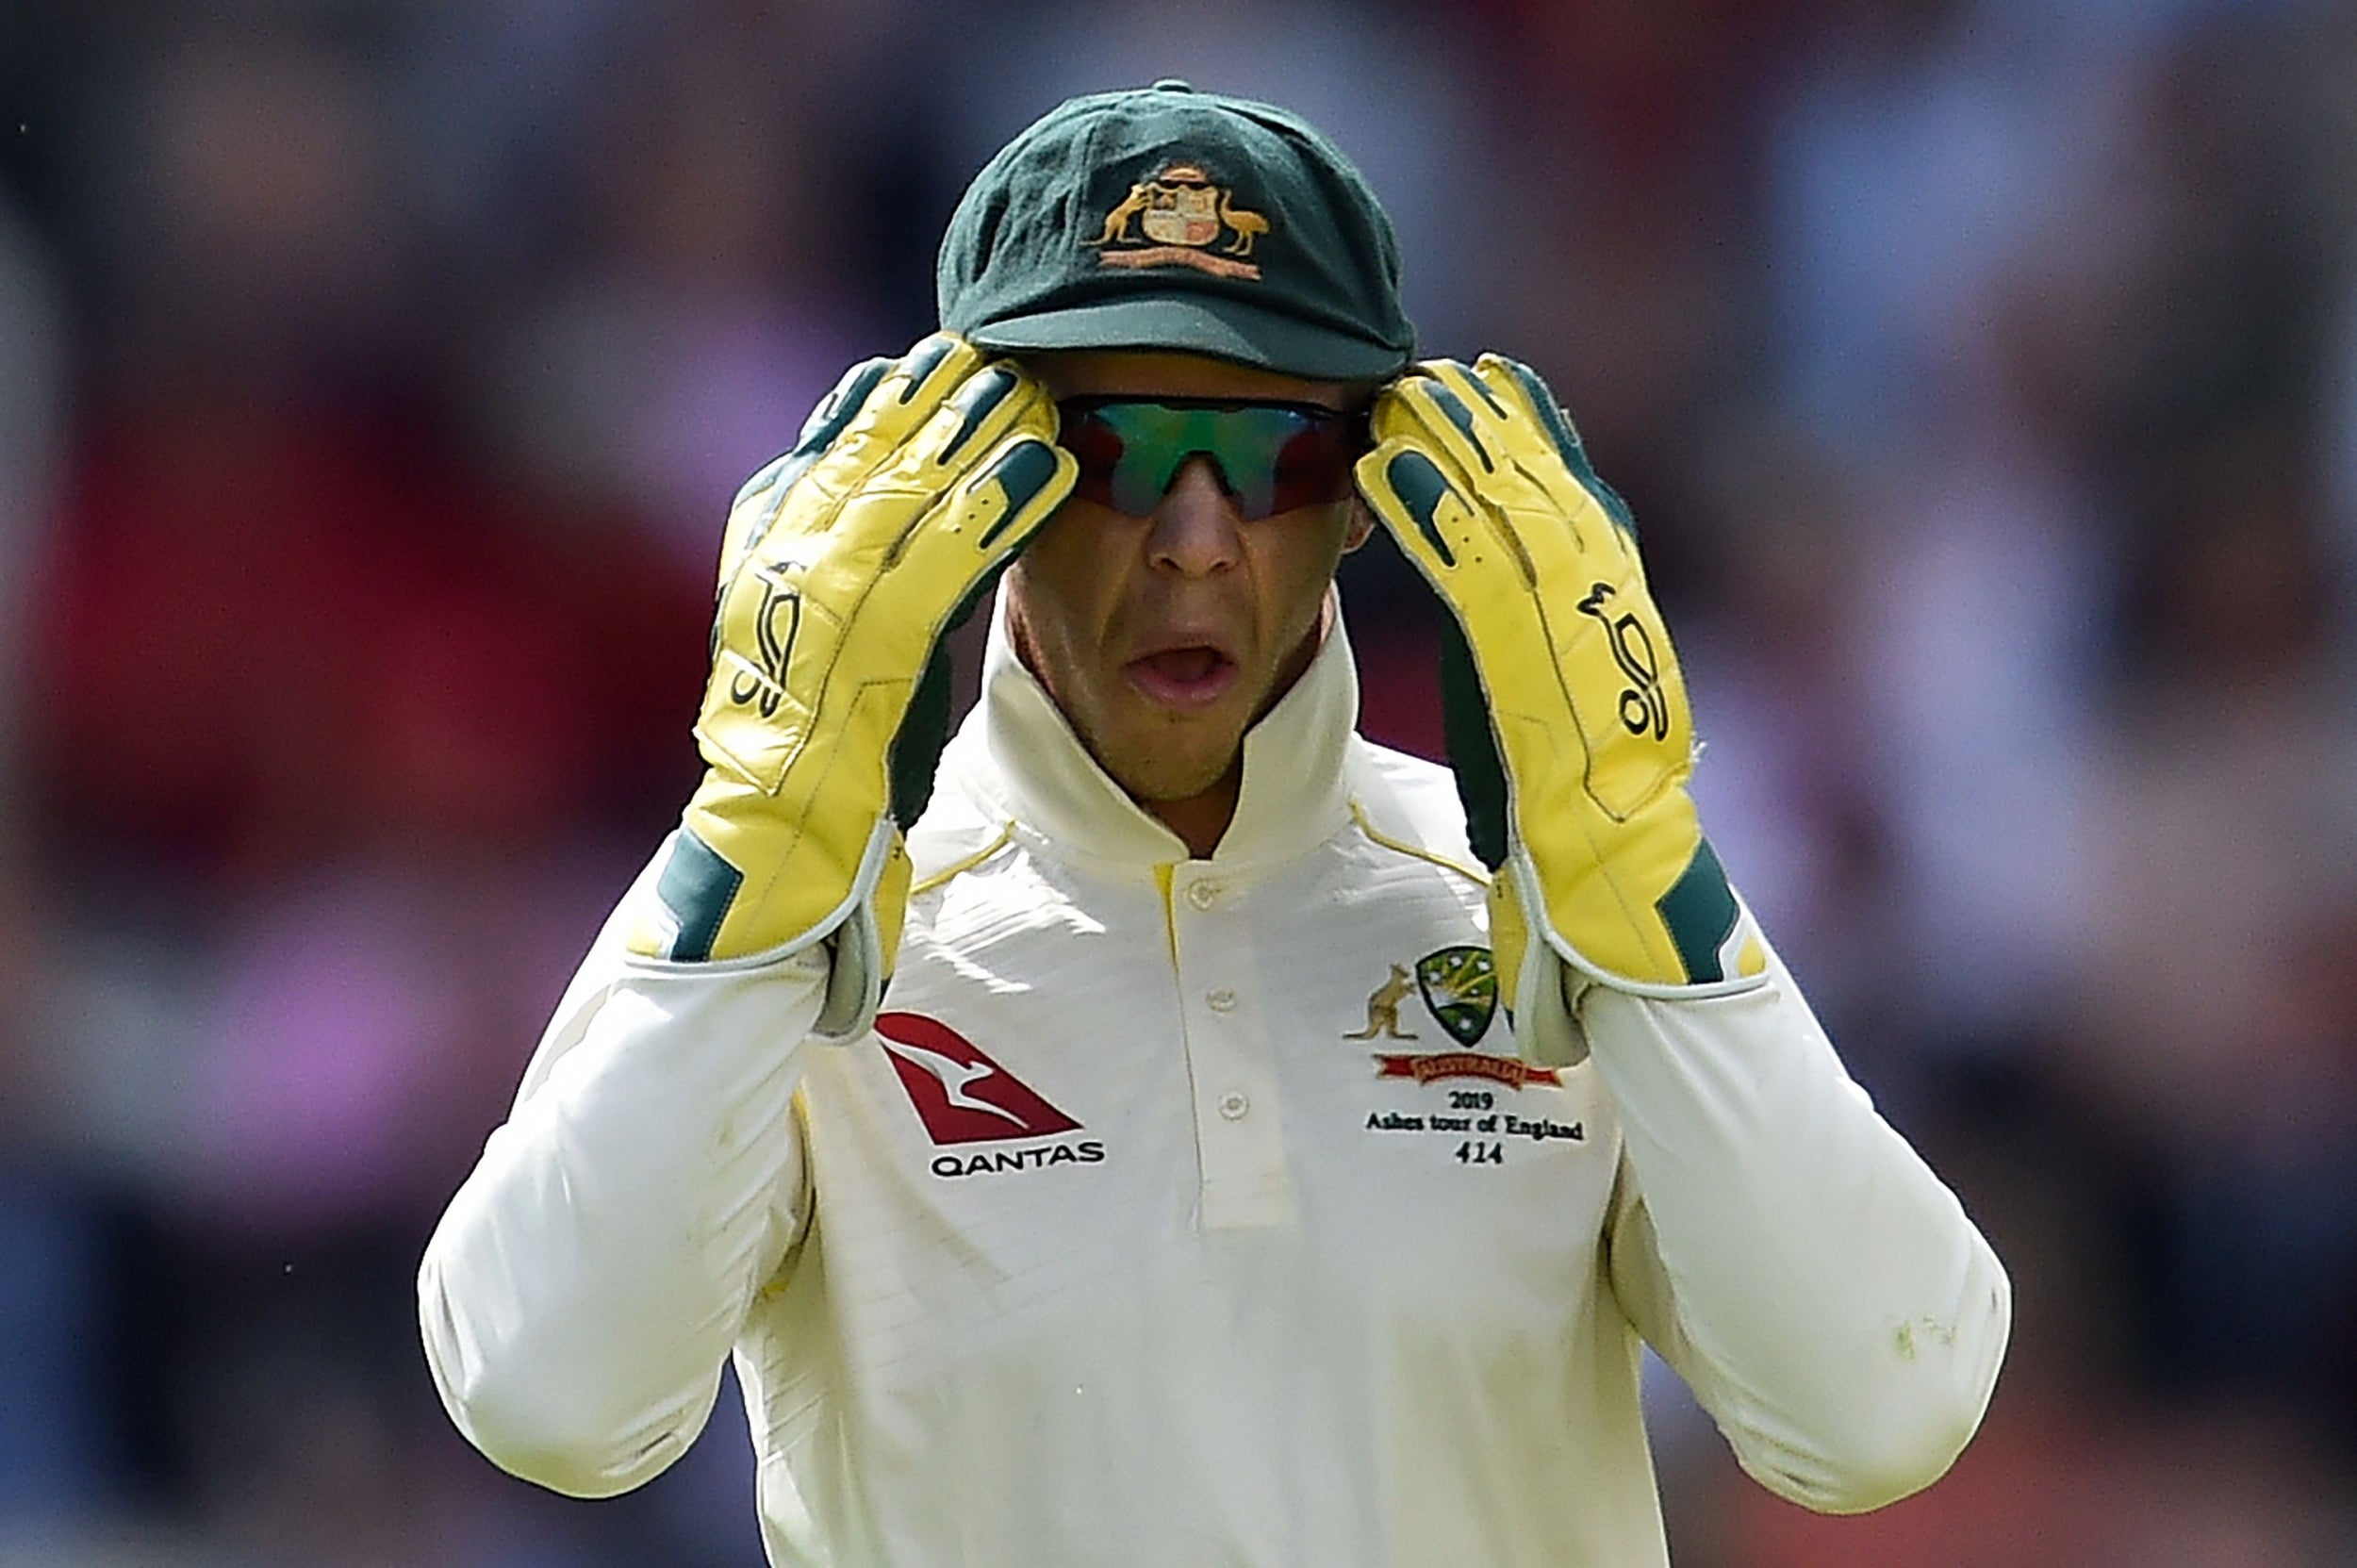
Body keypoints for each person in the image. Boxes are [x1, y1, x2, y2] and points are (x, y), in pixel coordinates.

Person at [419, 81, 2010, 1567]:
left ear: (1370, 488)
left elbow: (1879, 1413)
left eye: (1270, 453)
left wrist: (1637, 867)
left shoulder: (1557, 903)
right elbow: (553, 1402)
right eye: (1114, 450)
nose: (1197, 540)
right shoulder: (791, 917)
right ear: (971, 477)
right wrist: (765, 836)